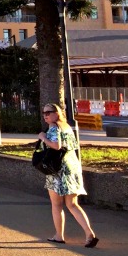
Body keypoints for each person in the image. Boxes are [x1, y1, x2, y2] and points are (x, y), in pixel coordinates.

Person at [39, 103, 98, 247]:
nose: (46, 115)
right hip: (72, 168)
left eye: (49, 112)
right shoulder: (67, 128)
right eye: (44, 113)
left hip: (57, 170)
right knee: (72, 204)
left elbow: (56, 145)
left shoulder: (53, 127)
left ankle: (59, 235)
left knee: (56, 205)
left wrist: (43, 138)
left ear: (57, 113)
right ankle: (89, 233)